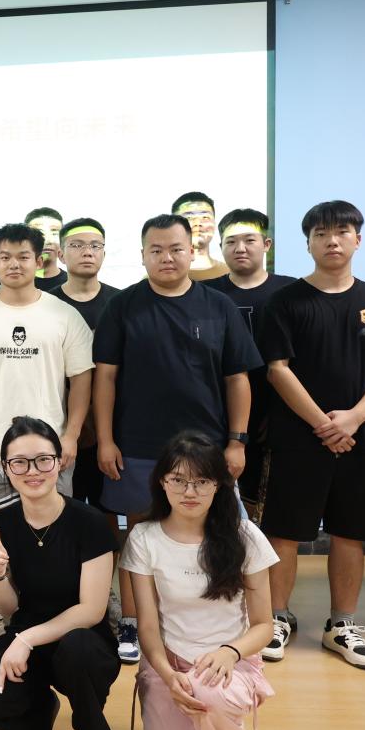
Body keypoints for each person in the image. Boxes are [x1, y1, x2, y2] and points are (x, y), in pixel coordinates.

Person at [92, 213, 261, 665]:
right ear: (143, 254)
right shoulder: (123, 306)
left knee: (213, 533)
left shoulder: (219, 306)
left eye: (175, 249)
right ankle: (133, 622)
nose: (166, 257)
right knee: (138, 538)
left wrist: (237, 441)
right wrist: (106, 439)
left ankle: (207, 625)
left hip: (206, 449)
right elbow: (105, 378)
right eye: (156, 250)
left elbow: (238, 379)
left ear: (192, 251)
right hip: (137, 446)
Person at [258, 200, 365, 668]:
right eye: (321, 233)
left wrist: (354, 418)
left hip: (360, 438)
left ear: (357, 240)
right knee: (283, 534)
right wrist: (324, 424)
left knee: (351, 533)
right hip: (295, 439)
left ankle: (341, 625)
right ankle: (276, 619)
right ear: (307, 243)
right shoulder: (284, 301)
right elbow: (277, 369)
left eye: (342, 232)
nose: (332, 241)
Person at [0, 417, 120, 730]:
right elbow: (5, 608)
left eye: (42, 460)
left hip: (82, 639)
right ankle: (39, 711)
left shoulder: (90, 522)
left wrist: (27, 639)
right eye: (19, 462)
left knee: (79, 652)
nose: (32, 471)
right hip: (27, 632)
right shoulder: (0, 524)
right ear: (6, 469)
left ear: (59, 461)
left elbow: (91, 610)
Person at [123, 432, 277, 730]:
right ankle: (194, 728)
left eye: (202, 481)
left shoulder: (245, 536)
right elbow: (147, 625)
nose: (189, 492)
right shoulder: (144, 538)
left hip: (228, 663)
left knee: (209, 690)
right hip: (169, 664)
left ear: (219, 485)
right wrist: (169, 676)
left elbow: (265, 625)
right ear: (162, 482)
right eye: (178, 480)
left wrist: (230, 652)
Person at [0, 223, 93, 524]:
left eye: (23, 257)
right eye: (5, 257)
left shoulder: (65, 315)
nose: (14, 264)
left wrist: (71, 435)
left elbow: (81, 380)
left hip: (50, 449)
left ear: (38, 261)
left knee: (52, 534)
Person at [203, 209, 295, 522]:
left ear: (266, 244)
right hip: (217, 415)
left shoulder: (291, 292)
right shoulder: (206, 293)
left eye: (249, 240)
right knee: (216, 504)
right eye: (231, 242)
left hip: (279, 413)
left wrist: (281, 413)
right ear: (220, 247)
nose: (240, 248)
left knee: (271, 509)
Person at [49, 218, 121, 516]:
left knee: (108, 512)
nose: (87, 252)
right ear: (61, 254)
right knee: (65, 512)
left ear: (104, 252)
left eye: (95, 246)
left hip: (112, 428)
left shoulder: (121, 303)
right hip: (60, 427)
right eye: (77, 245)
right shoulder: (47, 304)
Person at [172, 192, 229, 282]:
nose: (198, 223)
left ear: (214, 223)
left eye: (205, 217)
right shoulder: (158, 277)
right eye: (189, 217)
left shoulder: (231, 274)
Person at [25, 207, 67, 292]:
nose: (48, 240)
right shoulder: (9, 285)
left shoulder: (74, 285)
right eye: (40, 233)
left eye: (54, 233)